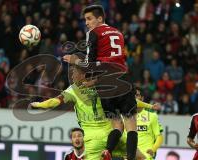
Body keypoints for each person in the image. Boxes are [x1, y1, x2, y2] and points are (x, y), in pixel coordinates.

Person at [30, 65, 157, 160]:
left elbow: (54, 102)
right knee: (141, 158)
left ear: (82, 75)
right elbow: (131, 101)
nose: (72, 75)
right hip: (113, 135)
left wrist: (39, 104)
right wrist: (149, 105)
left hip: (93, 139)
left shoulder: (73, 90)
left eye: (74, 72)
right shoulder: (101, 85)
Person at [63, 5, 137, 160]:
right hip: (123, 79)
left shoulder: (93, 33)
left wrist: (74, 60)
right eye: (85, 20)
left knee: (116, 125)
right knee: (131, 126)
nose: (87, 23)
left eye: (89, 19)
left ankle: (107, 151)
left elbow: (89, 65)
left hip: (106, 84)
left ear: (100, 18)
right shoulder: (118, 33)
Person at [135, 87, 163, 160]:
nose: (134, 97)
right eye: (133, 95)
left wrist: (153, 150)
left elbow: (159, 137)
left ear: (142, 98)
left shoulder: (152, 116)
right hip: (130, 155)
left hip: (146, 156)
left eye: (137, 95)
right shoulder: (126, 116)